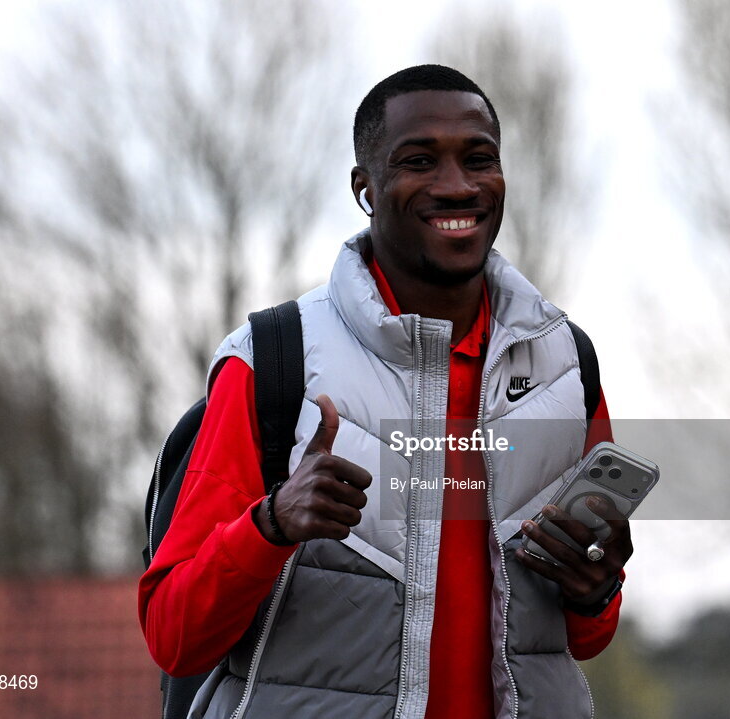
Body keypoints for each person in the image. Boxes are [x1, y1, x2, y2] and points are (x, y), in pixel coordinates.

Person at [139, 64, 633, 719]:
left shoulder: (566, 364)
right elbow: (174, 635)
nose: (457, 185)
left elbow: (585, 638)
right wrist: (273, 523)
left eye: (479, 158)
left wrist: (595, 584)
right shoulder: (273, 362)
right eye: (419, 160)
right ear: (364, 187)